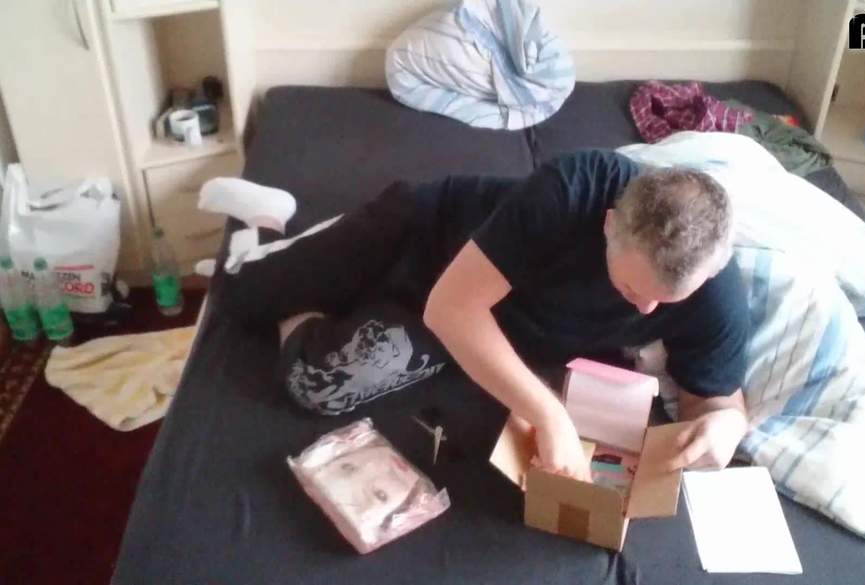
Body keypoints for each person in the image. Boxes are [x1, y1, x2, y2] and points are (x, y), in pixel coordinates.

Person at [198, 149, 750, 481]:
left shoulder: (714, 285)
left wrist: (726, 425)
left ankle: (319, 285)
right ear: (609, 225)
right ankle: (270, 220)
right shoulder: (571, 188)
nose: (645, 309)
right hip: (425, 239)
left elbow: (718, 400)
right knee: (235, 296)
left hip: (466, 319)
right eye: (631, 288)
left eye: (665, 302)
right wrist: (551, 416)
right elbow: (452, 305)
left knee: (313, 385)